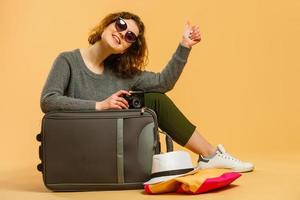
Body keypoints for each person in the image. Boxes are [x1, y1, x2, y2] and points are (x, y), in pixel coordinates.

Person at [40, 11, 254, 172]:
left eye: (130, 36)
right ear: (107, 24)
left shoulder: (123, 74)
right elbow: (49, 101)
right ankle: (208, 156)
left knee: (154, 98)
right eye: (121, 24)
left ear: (127, 48)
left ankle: (209, 155)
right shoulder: (67, 61)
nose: (122, 33)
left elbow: (163, 82)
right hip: (78, 145)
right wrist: (100, 105)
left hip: (112, 148)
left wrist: (184, 46)